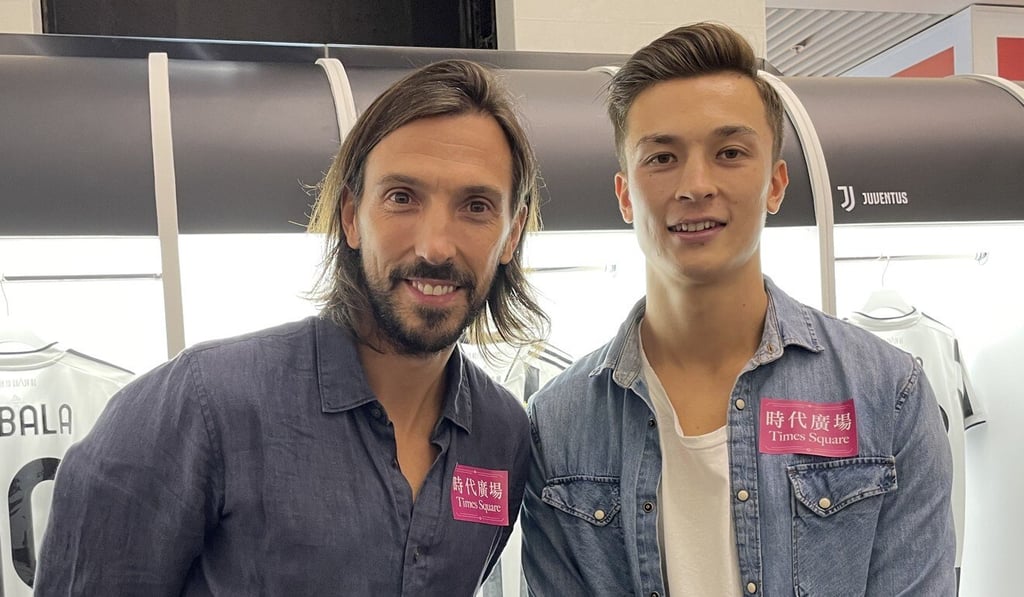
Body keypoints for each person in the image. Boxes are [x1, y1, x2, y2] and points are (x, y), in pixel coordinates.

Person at [35, 59, 548, 596]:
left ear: (511, 236)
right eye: (402, 198)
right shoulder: (200, 408)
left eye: (476, 206)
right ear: (351, 216)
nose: (435, 246)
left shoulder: (502, 435)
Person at [520, 22, 955, 597]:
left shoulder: (887, 394)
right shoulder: (558, 424)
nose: (696, 184)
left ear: (775, 185)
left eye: (729, 153)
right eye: (662, 157)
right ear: (626, 195)